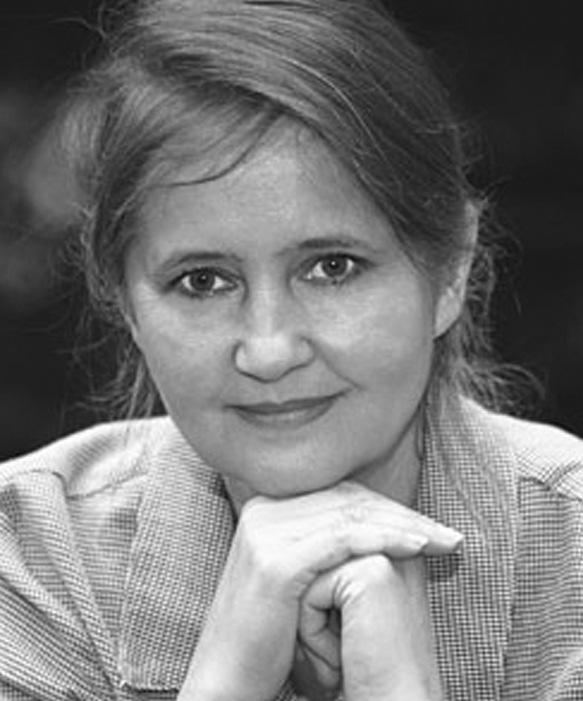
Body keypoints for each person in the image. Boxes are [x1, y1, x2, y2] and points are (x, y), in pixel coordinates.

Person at [1, 0, 582, 699]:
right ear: (124, 302)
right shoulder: (33, 557)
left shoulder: (570, 551)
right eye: (202, 281)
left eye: (332, 268)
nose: (269, 350)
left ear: (450, 269)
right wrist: (229, 672)